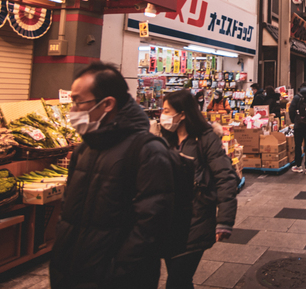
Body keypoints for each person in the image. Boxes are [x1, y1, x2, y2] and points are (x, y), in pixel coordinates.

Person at [50, 62, 175, 289]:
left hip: (117, 279)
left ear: (107, 104)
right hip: (69, 272)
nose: (73, 111)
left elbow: (151, 226)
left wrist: (118, 272)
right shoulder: (84, 149)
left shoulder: (147, 151)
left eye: (78, 102)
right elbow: (67, 210)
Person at [160, 90, 238, 289]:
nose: (163, 114)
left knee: (176, 281)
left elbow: (225, 177)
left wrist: (225, 221)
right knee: (181, 280)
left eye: (167, 110)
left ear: (183, 113)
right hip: (167, 221)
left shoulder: (205, 139)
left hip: (196, 219)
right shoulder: (164, 140)